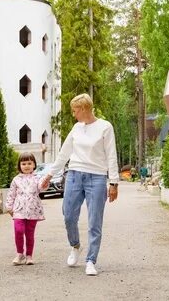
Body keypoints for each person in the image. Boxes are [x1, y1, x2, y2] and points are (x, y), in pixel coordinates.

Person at [40, 93, 119, 276]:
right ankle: (75, 246)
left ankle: (91, 260)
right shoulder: (76, 128)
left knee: (94, 221)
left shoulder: (105, 127)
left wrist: (113, 182)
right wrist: (50, 175)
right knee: (68, 215)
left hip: (97, 177)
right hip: (74, 174)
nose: (73, 114)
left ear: (84, 109)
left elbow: (111, 155)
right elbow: (64, 153)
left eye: (75, 110)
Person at [5, 152, 45, 266]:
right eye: (23, 163)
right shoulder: (16, 179)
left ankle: (29, 256)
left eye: (29, 163)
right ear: (19, 166)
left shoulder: (38, 178)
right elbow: (11, 194)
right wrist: (9, 206)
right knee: (18, 230)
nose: (26, 166)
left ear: (34, 165)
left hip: (33, 210)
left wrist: (46, 182)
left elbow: (42, 188)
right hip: (19, 210)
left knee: (30, 233)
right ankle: (19, 254)